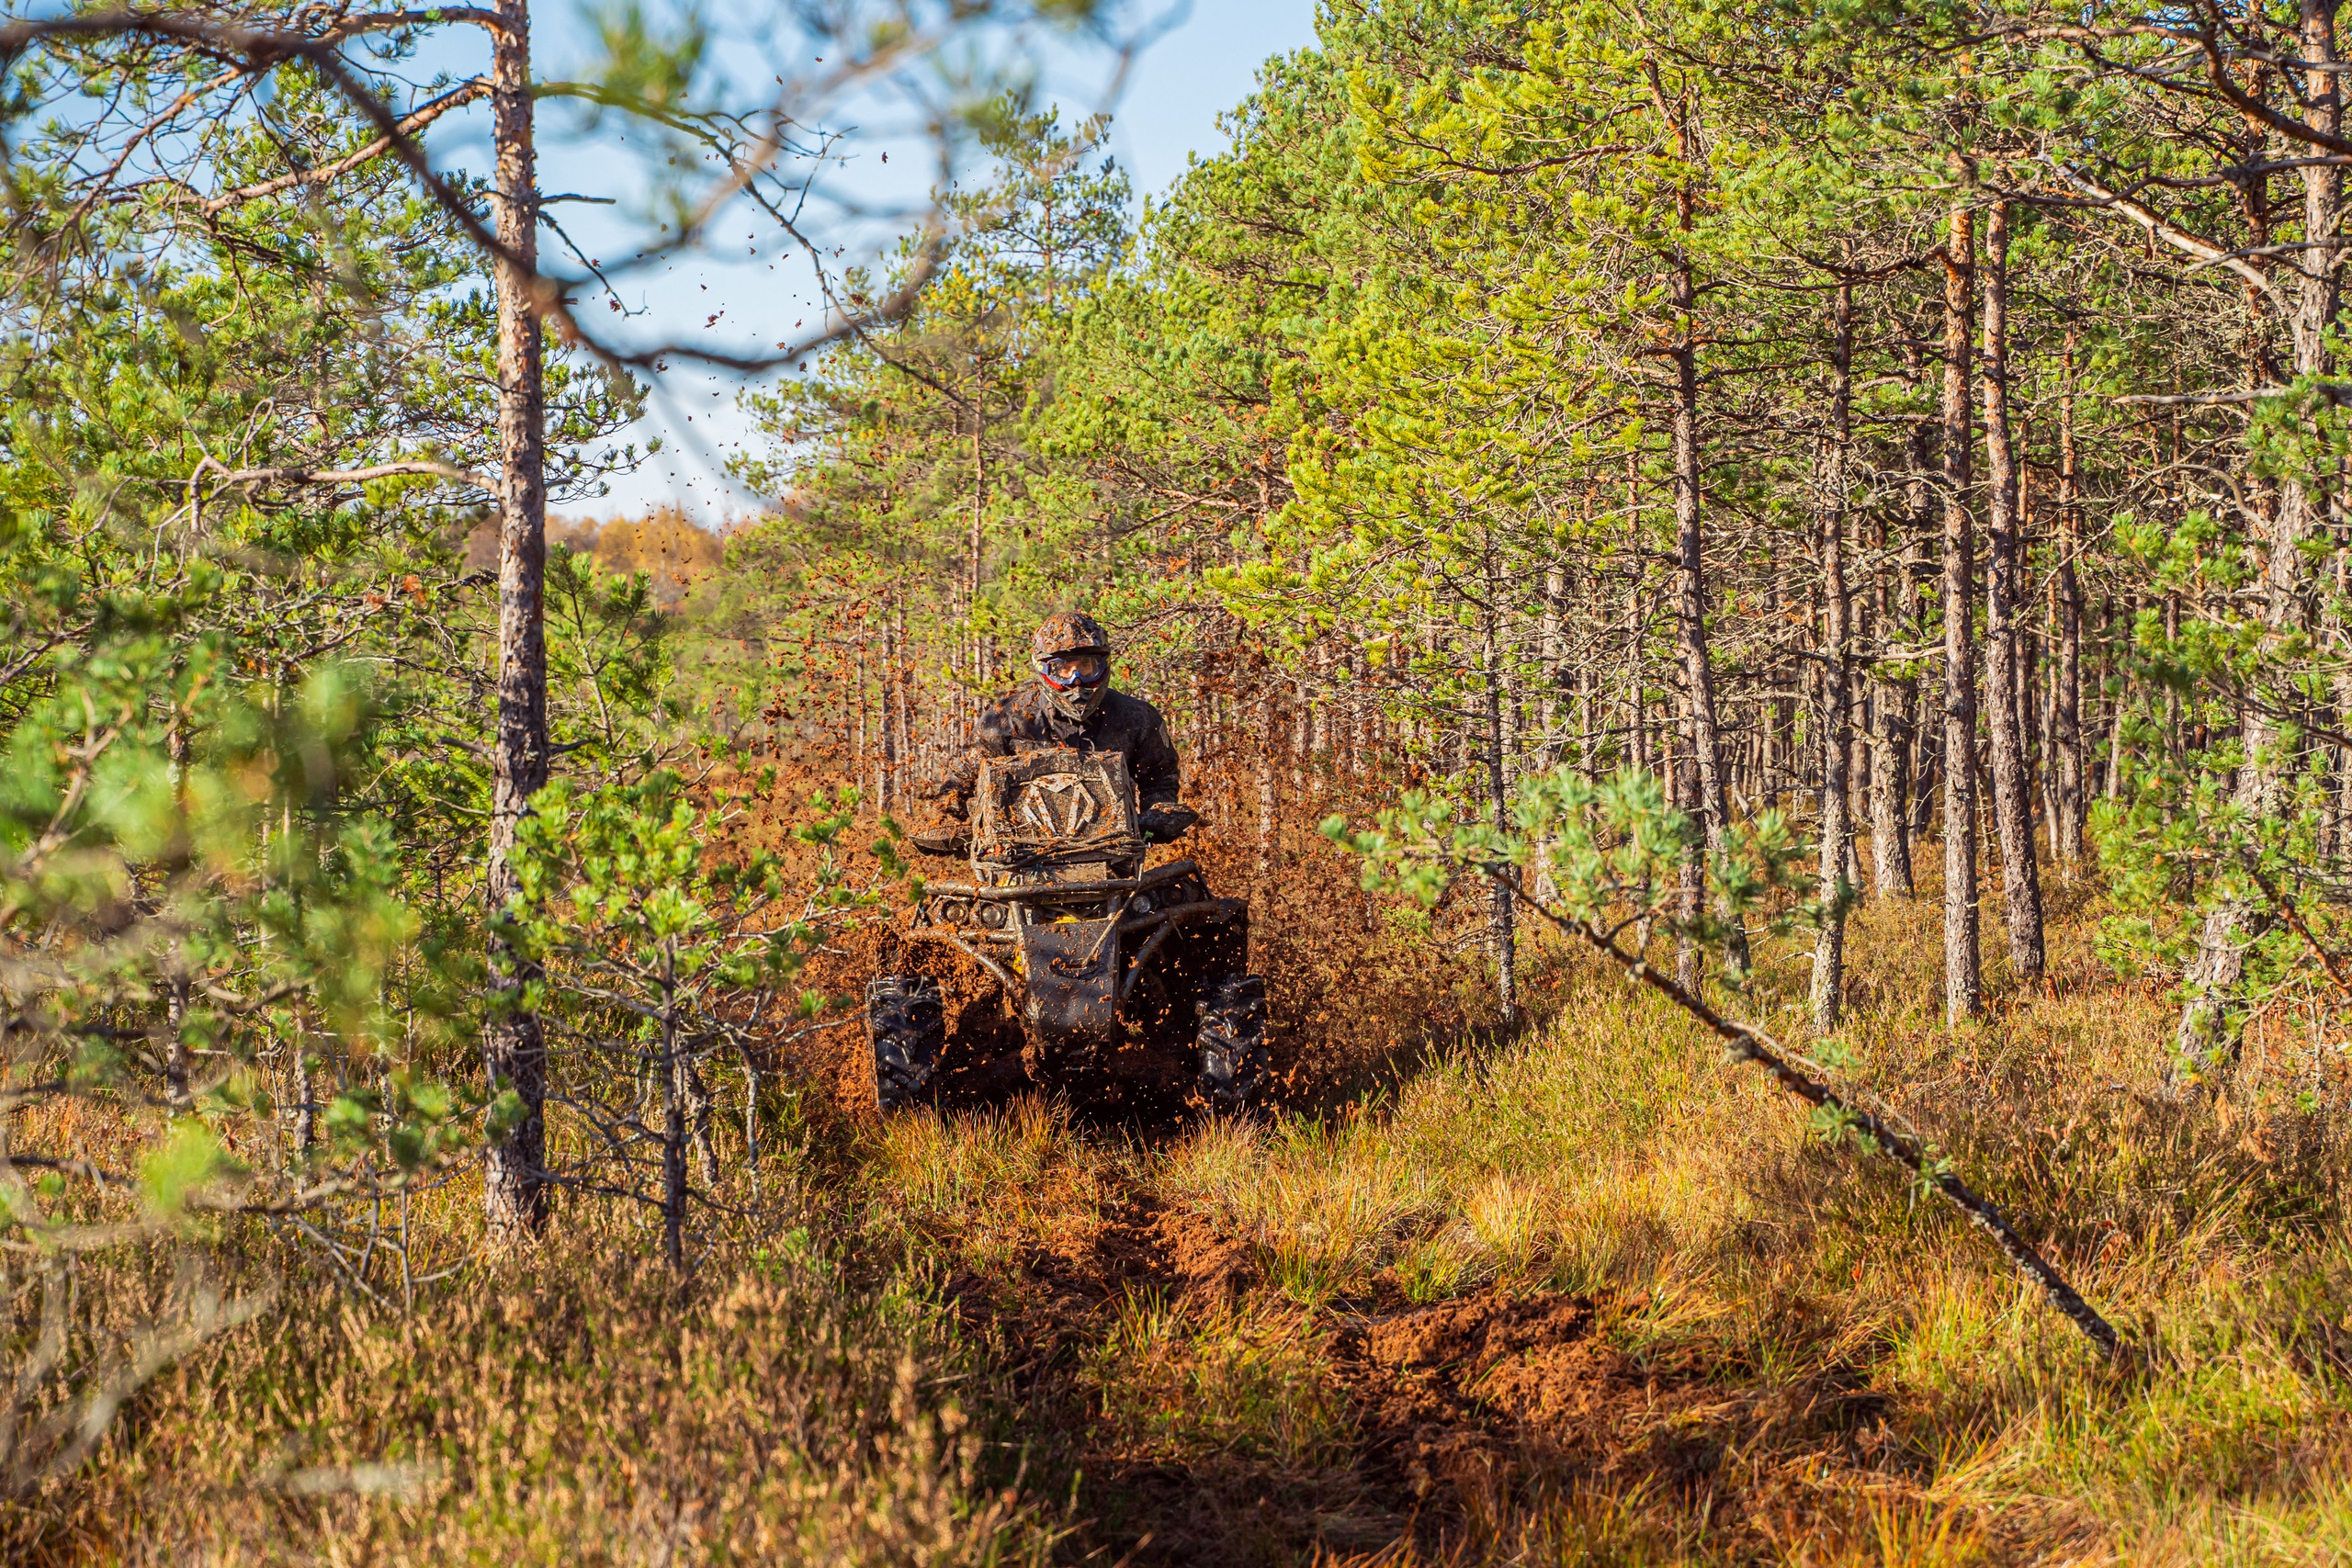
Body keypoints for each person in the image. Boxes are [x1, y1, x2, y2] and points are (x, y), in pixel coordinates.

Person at [913, 611, 1198, 854]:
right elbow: (959, 782)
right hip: (1017, 858)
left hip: (1114, 857)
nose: (1077, 680)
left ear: (1102, 665)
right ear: (1044, 670)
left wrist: (1156, 817)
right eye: (1063, 669)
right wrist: (949, 825)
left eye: (1086, 666)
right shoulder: (1007, 720)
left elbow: (1159, 778)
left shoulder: (1137, 718)